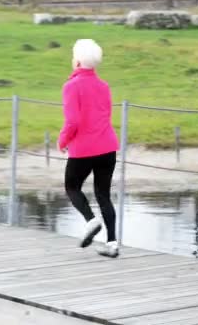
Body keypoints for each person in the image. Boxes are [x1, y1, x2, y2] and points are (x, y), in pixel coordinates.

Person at [58, 39, 120, 258]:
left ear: (76, 60)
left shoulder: (71, 86)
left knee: (72, 186)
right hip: (108, 146)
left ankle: (91, 221)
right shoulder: (104, 86)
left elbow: (73, 121)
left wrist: (63, 141)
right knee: (103, 194)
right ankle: (112, 244)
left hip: (84, 149)